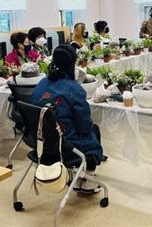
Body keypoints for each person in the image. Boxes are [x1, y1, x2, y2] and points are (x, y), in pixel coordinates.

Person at [29, 45, 103, 193]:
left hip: (39, 143)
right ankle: (88, 179)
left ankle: (75, 174)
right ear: (72, 64)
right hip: (64, 147)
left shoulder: (42, 83)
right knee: (93, 130)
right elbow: (84, 125)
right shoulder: (73, 88)